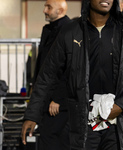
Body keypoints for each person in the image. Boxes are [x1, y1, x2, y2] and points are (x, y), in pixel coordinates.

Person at [21, 0, 123, 150]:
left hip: (120, 125)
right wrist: (32, 114)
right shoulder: (70, 32)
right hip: (84, 127)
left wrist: (121, 106)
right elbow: (47, 75)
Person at [26, 0, 71, 150]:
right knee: (45, 138)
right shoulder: (48, 29)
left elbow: (69, 67)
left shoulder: (70, 30)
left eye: (49, 7)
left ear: (61, 10)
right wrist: (35, 87)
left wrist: (58, 98)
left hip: (58, 103)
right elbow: (43, 63)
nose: (44, 10)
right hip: (45, 97)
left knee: (56, 141)